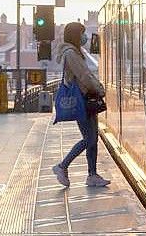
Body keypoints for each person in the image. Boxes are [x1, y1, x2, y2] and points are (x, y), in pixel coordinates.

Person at [52, 22, 110, 188]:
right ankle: (62, 166)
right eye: (82, 33)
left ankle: (92, 175)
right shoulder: (71, 53)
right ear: (75, 35)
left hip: (87, 99)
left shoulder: (75, 52)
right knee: (89, 138)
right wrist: (99, 88)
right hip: (83, 100)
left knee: (93, 138)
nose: (84, 37)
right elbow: (83, 75)